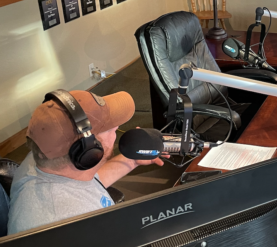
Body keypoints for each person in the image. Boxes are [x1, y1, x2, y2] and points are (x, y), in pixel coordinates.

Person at [7, 90, 166, 234]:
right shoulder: (75, 222)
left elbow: (86, 183)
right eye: (111, 128)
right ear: (89, 152)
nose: (117, 126)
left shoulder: (41, 159)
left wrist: (132, 161)